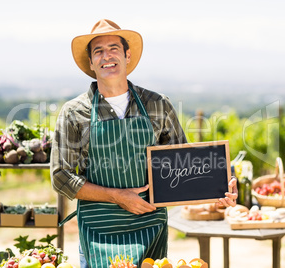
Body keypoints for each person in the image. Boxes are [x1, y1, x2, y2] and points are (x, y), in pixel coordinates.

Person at [50, 19, 238, 268]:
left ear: (127, 56)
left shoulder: (157, 104)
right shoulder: (74, 112)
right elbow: (61, 177)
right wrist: (117, 196)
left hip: (149, 230)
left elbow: (184, 167)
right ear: (91, 63)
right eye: (99, 51)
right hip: (99, 233)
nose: (107, 56)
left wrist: (215, 192)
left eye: (114, 48)